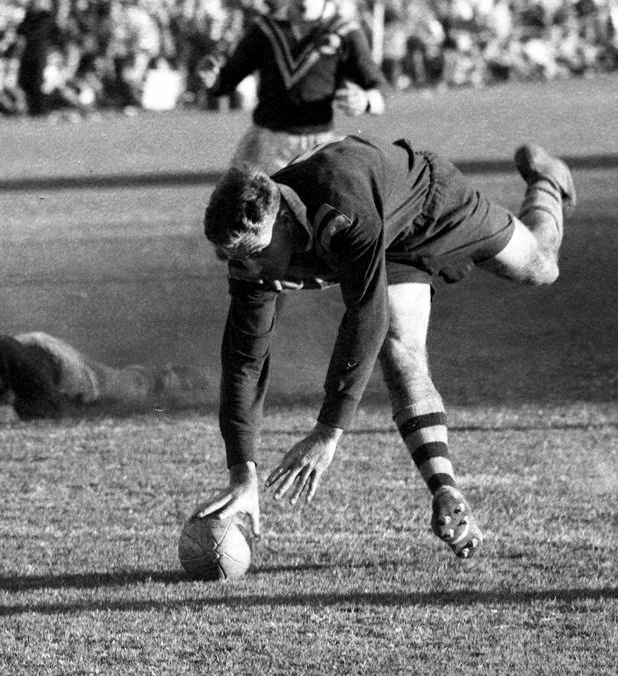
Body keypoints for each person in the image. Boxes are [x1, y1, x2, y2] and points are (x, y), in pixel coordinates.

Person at [195, 134, 576, 558]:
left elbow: (364, 315)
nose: (248, 268)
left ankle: (547, 180)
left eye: (254, 253)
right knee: (399, 351)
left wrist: (328, 431)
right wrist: (241, 472)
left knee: (541, 267)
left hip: (433, 207)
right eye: (233, 257)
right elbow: (244, 361)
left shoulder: (340, 207)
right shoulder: (251, 252)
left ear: (282, 220)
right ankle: (446, 491)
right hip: (385, 245)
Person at [0, 317, 207, 424]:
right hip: (25, 388)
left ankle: (181, 378)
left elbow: (49, 406)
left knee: (118, 390)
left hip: (50, 363)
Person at [197, 0, 388, 174]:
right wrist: (211, 78)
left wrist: (366, 101)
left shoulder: (344, 32)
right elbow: (226, 80)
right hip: (264, 143)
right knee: (245, 207)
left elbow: (379, 87)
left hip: (316, 145)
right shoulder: (265, 29)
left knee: (310, 209)